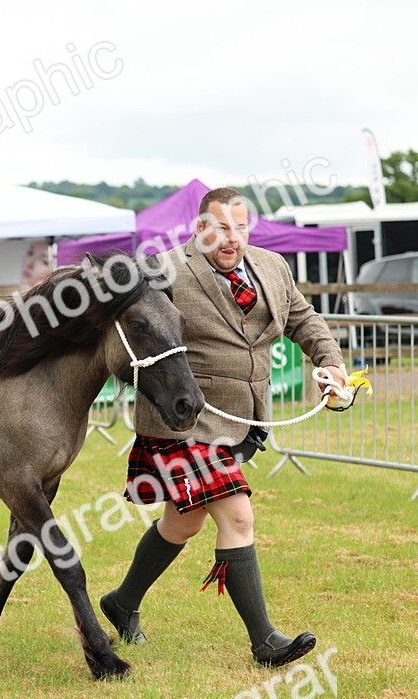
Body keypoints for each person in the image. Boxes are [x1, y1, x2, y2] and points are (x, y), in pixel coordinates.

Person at [99, 188, 348, 669]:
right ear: (200, 229)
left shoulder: (271, 266)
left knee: (184, 522)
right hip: (182, 421)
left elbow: (303, 319)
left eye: (240, 228)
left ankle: (122, 602)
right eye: (221, 229)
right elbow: (126, 329)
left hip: (242, 417)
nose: (232, 238)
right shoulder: (165, 269)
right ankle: (265, 642)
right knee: (238, 518)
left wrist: (330, 362)